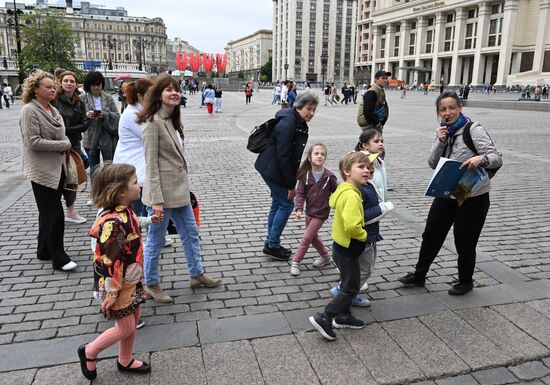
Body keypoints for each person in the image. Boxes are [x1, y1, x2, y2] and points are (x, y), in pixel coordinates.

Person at [398, 91, 503, 295]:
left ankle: (466, 281)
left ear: (460, 108)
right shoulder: (442, 132)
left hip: (472, 197)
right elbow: (432, 163)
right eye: (442, 109)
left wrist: (480, 160)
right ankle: (419, 275)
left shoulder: (473, 129)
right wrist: (439, 141)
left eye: (452, 108)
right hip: (446, 194)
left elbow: (496, 157)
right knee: (431, 235)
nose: (448, 112)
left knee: (464, 241)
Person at [138, 74, 222, 303]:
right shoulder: (152, 123)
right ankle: (151, 283)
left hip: (179, 192)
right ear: (159, 94)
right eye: (169, 90)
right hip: (161, 196)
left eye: (177, 89)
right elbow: (150, 166)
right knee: (156, 240)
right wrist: (156, 200)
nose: (174, 93)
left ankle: (197, 273)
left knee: (191, 233)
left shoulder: (171, 119)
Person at [78, 164, 156, 381]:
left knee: (135, 317)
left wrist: (149, 221)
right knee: (125, 326)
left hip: (130, 281)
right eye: (134, 182)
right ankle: (90, 351)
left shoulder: (124, 211)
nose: (138, 185)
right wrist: (111, 292)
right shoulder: (112, 222)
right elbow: (110, 261)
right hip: (116, 284)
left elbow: (132, 227)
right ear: (121, 191)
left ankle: (125, 359)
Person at [309, 151, 372, 341]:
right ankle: (325, 317)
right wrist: (364, 235)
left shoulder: (344, 189)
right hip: (349, 247)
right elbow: (352, 225)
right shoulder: (352, 196)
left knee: (347, 283)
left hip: (340, 246)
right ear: (346, 171)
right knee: (351, 288)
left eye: (367, 167)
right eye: (360, 167)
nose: (366, 170)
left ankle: (344, 317)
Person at [19, 70, 76, 271]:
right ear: (35, 89)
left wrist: (65, 143)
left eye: (54, 87)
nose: (53, 89)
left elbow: (63, 135)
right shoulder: (29, 110)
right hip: (41, 170)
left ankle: (43, 249)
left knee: (47, 211)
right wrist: (63, 144)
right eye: (48, 87)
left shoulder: (51, 109)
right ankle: (59, 257)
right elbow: (33, 142)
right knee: (54, 213)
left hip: (57, 168)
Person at [255, 93, 319, 260]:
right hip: (272, 168)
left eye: (314, 110)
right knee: (286, 204)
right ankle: (272, 244)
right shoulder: (289, 123)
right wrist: (291, 185)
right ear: (299, 107)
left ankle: (271, 242)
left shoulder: (297, 120)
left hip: (272, 166)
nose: (311, 113)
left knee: (278, 203)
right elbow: (284, 156)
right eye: (308, 109)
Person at [290, 144, 337, 276]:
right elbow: (300, 194)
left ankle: (296, 262)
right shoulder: (305, 176)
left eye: (322, 154)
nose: (320, 156)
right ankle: (325, 257)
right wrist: (298, 209)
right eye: (316, 153)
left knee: (306, 238)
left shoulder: (330, 177)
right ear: (310, 158)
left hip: (321, 214)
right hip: (309, 213)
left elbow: (338, 192)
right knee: (313, 237)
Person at [53, 70, 88, 224]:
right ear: (60, 83)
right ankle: (56, 210)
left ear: (76, 84)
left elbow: (85, 124)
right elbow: (54, 125)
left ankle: (71, 211)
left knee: (73, 177)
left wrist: (69, 130)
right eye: (66, 81)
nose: (69, 84)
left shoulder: (79, 101)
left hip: (73, 144)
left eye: (72, 81)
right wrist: (71, 129)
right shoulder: (54, 100)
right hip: (56, 145)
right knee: (58, 177)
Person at [81, 71, 120, 181]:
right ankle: (95, 195)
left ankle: (109, 192)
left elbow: (117, 116)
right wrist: (87, 115)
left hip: (107, 137)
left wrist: (106, 115)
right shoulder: (82, 98)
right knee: (94, 169)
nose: (96, 87)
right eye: (93, 85)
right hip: (90, 138)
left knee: (109, 167)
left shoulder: (108, 98)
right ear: (89, 85)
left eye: (98, 84)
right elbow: (78, 118)